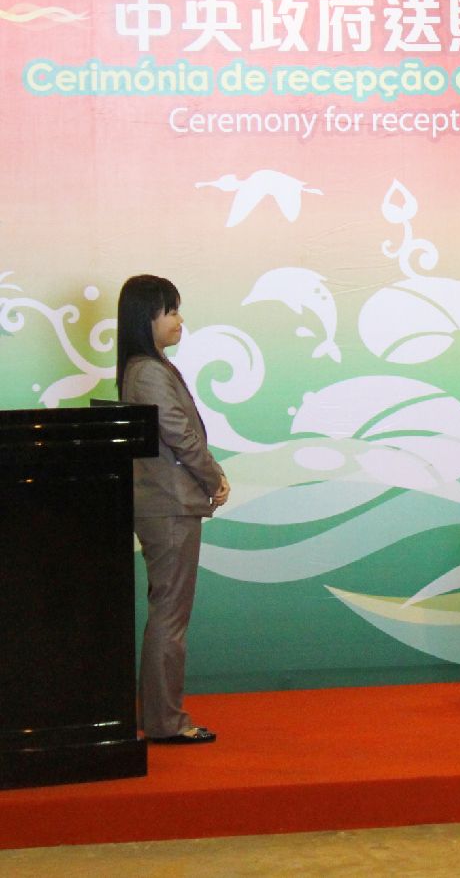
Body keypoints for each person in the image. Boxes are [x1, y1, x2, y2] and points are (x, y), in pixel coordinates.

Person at [116, 274, 229, 743]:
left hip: (165, 502)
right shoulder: (148, 371)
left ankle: (159, 716)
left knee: (167, 610)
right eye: (172, 311)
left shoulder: (147, 366)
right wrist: (214, 477)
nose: (180, 320)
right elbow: (180, 434)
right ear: (147, 317)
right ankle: (166, 722)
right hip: (169, 505)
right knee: (170, 614)